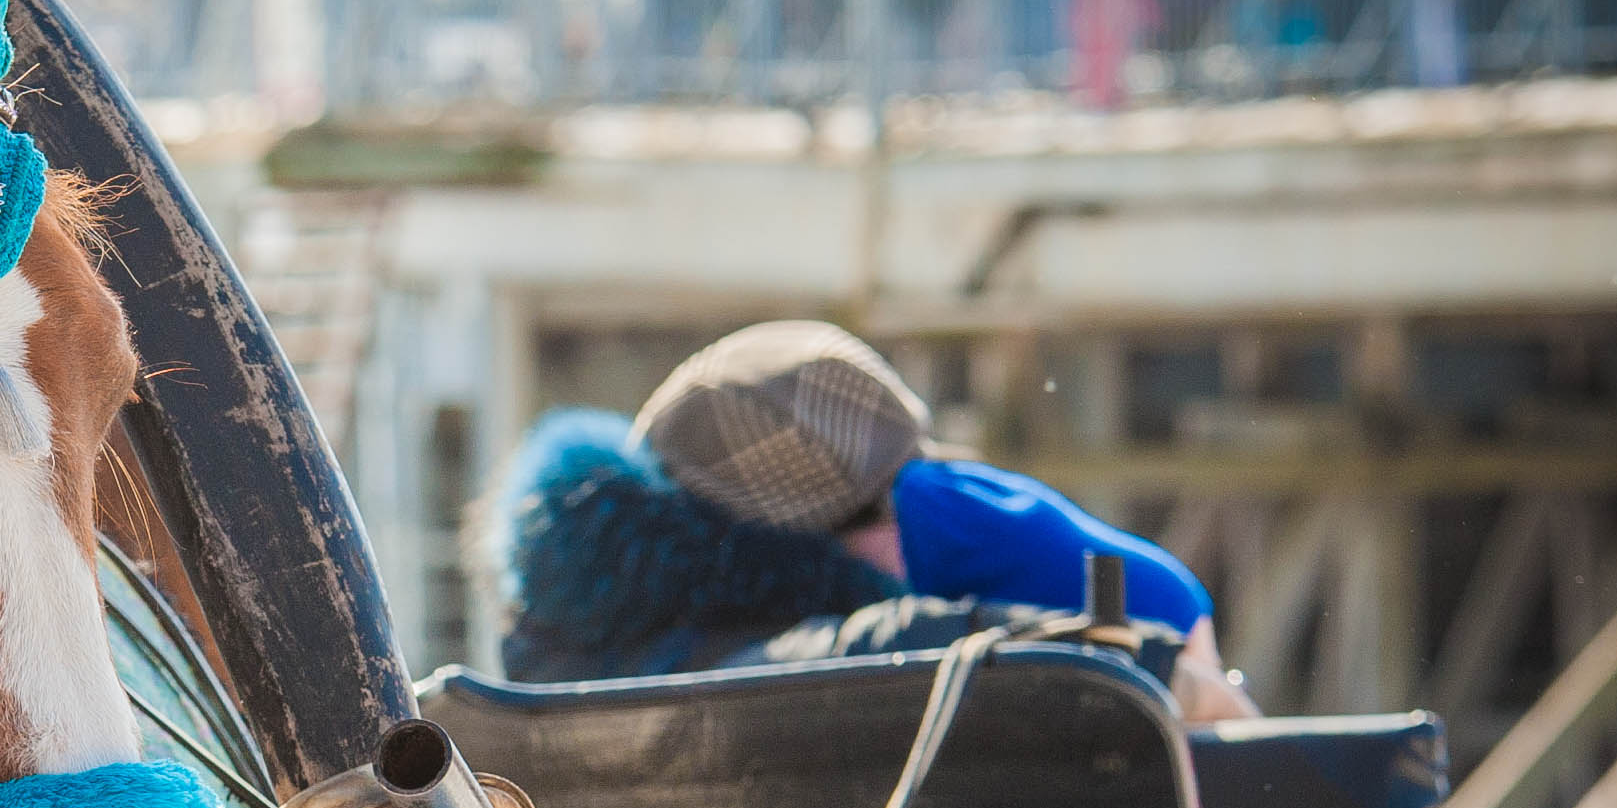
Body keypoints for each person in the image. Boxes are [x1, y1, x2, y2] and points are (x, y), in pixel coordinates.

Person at [494, 321, 1257, 724]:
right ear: (787, 551)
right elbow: (1170, 613)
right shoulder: (816, 643)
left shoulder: (564, 656)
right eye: (894, 495)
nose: (926, 499)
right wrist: (1158, 672)